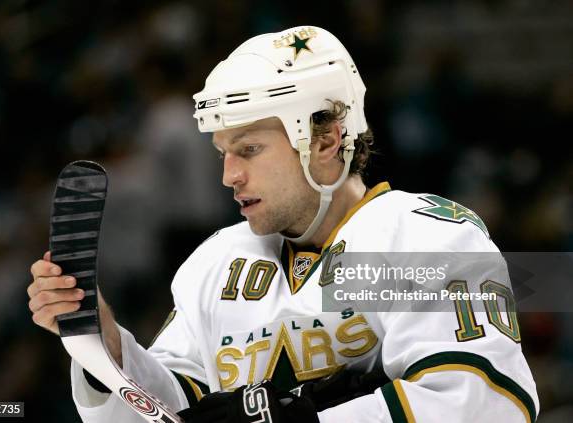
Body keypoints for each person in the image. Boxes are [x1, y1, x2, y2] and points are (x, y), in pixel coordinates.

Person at [27, 26, 539, 422]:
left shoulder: (424, 235)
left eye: (249, 149)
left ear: (325, 139)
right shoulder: (217, 263)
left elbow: (483, 403)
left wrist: (298, 416)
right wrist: (105, 341)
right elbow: (171, 410)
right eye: (224, 153)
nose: (228, 176)